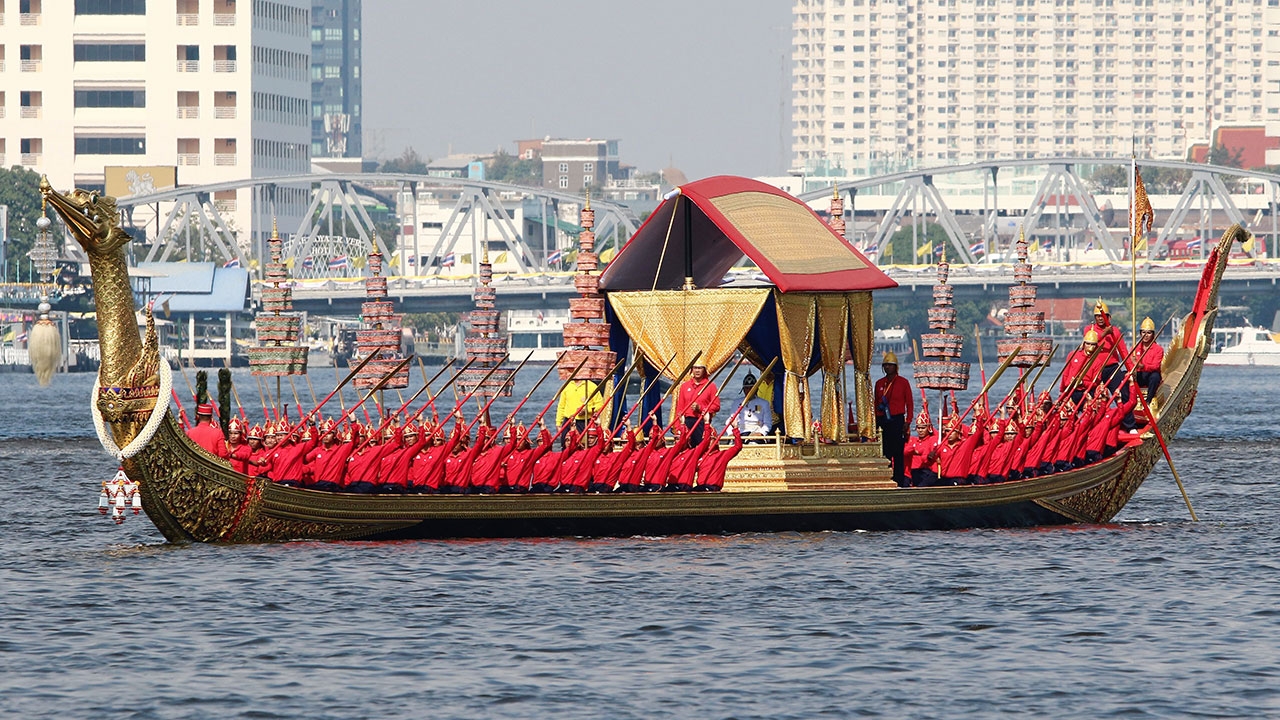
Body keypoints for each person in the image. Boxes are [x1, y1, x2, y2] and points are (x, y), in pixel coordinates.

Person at [873, 351, 913, 487]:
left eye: (890, 365)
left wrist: (908, 421)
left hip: (897, 420)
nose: (887, 368)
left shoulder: (903, 382)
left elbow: (910, 403)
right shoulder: (879, 383)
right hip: (882, 420)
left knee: (898, 453)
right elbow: (875, 403)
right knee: (885, 452)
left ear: (895, 367)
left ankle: (899, 481)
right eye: (885, 365)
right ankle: (886, 479)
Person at [1084, 300, 1129, 393]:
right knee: (1091, 394)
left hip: (1111, 368)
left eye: (1103, 316)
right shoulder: (1089, 329)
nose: (1100, 318)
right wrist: (1105, 333)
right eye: (1098, 316)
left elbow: (1123, 351)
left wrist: (1130, 368)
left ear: (1109, 317)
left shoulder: (1115, 331)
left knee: (1122, 391)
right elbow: (1090, 343)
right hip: (1095, 368)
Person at [676, 362, 720, 446]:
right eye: (695, 368)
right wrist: (678, 427)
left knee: (701, 448)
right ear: (692, 369)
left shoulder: (711, 386)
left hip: (702, 421)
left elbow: (716, 406)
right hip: (687, 421)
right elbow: (680, 408)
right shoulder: (684, 386)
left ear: (704, 370)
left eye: (700, 368)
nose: (697, 370)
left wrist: (701, 408)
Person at [555, 378, 603, 446]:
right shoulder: (567, 386)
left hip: (584, 422)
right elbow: (561, 406)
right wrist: (558, 423)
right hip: (568, 421)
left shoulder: (591, 386)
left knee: (582, 445)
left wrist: (587, 410)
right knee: (565, 444)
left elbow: (600, 405)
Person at [1061, 330, 1103, 405]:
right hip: (1070, 390)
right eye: (1088, 344)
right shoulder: (1073, 355)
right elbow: (1065, 374)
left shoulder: (1098, 361)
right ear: (1084, 343)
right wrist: (1062, 391)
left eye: (1093, 344)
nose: (1090, 347)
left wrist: (1082, 383)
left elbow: (1095, 383)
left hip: (1086, 392)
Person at [1133, 316, 1164, 403]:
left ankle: (1148, 401)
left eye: (1149, 333)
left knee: (1155, 377)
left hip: (1150, 375)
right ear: (1140, 333)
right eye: (1143, 332)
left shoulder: (1158, 349)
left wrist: (1142, 366)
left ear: (1153, 334)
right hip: (1138, 374)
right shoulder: (1135, 348)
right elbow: (1131, 363)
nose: (1146, 335)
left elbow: (1155, 366)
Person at [737, 373, 772, 441]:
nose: (749, 391)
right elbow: (730, 421)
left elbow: (768, 423)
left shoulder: (764, 403)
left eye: (751, 388)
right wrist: (730, 433)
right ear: (743, 389)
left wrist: (761, 433)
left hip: (757, 433)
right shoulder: (737, 403)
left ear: (756, 389)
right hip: (741, 433)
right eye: (747, 388)